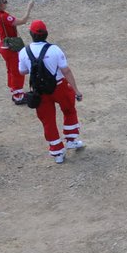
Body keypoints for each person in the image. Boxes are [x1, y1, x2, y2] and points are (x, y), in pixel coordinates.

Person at [16, 20, 85, 164]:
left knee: (48, 121)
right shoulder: (55, 50)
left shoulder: (24, 52)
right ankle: (71, 140)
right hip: (59, 87)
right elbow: (66, 70)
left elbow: (22, 71)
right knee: (69, 111)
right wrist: (77, 90)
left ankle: (57, 152)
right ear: (46, 34)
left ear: (31, 34)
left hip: (39, 91)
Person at [0, 0, 34, 106]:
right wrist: (29, 8)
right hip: (11, 48)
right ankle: (18, 96)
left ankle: (14, 91)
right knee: (17, 71)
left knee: (10, 69)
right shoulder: (4, 17)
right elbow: (23, 21)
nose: (7, 3)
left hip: (4, 45)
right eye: (5, 1)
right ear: (0, 4)